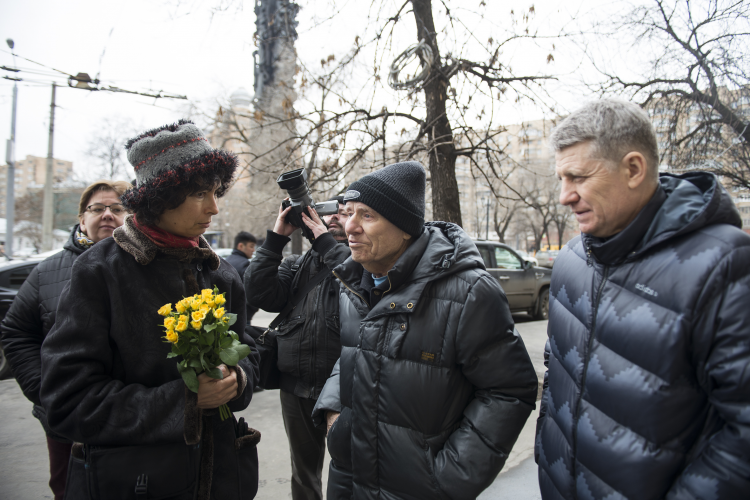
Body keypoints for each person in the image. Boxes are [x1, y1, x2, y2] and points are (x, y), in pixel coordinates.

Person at [535, 99, 750, 499]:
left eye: (578, 177)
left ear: (634, 169)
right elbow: (557, 370)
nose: (565, 196)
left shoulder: (724, 265)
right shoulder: (570, 260)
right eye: (561, 178)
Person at [40, 120, 261, 500]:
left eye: (215, 191)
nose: (214, 207)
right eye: (199, 193)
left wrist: (237, 378)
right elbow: (67, 402)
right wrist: (186, 401)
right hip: (135, 482)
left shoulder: (220, 273)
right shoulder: (99, 271)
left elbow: (249, 351)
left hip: (222, 478)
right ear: (159, 197)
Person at [312, 161, 538, 500]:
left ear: (405, 228)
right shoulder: (354, 284)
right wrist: (334, 414)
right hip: (349, 477)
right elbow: (350, 355)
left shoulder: (469, 292)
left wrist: (448, 478)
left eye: (367, 216)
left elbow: (509, 390)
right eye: (349, 213)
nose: (350, 227)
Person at [0, 179, 130, 500]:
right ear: (81, 218)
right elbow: (17, 332)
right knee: (71, 490)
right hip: (67, 425)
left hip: (136, 416)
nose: (107, 215)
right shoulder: (47, 272)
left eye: (117, 208)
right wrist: (45, 391)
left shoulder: (149, 265)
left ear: (132, 215)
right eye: (97, 208)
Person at [244, 195, 350, 500]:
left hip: (347, 387)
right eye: (330, 212)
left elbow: (363, 288)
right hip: (297, 387)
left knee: (354, 468)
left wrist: (326, 243)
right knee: (304, 474)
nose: (334, 218)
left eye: (345, 214)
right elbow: (259, 293)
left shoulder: (362, 264)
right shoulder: (297, 265)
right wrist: (277, 237)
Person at [225, 231, 258, 323]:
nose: (253, 250)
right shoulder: (245, 265)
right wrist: (251, 310)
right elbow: (252, 291)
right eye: (251, 246)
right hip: (240, 316)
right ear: (241, 246)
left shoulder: (227, 261)